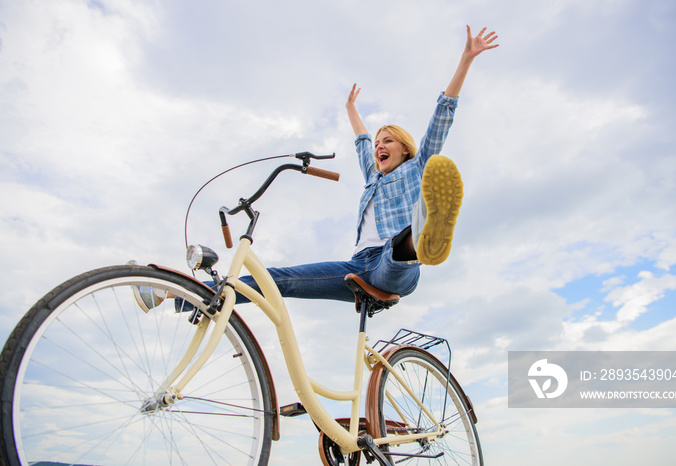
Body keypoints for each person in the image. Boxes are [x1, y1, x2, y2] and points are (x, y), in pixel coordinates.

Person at [133, 25, 498, 311]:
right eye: (379, 142)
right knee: (281, 279)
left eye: (388, 141)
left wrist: (465, 60)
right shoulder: (373, 175)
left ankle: (428, 232)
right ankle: (167, 295)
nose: (379, 146)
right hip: (358, 265)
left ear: (405, 148)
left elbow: (440, 120)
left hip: (394, 261)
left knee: (401, 248)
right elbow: (360, 139)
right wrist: (350, 109)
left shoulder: (417, 167)